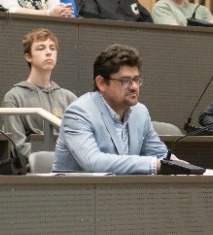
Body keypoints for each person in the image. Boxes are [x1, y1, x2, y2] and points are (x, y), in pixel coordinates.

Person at [53, 44, 169, 174]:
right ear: (101, 83)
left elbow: (162, 156)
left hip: (121, 192)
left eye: (136, 79)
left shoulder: (140, 112)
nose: (134, 87)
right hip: (76, 192)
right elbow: (93, 162)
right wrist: (153, 164)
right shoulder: (78, 113)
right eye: (125, 81)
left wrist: (185, 168)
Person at [2, 28, 78, 160]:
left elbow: (81, 140)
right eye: (41, 48)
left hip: (67, 170)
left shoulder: (69, 98)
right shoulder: (14, 97)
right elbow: (17, 146)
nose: (48, 52)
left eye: (52, 48)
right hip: (31, 173)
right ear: (28, 57)